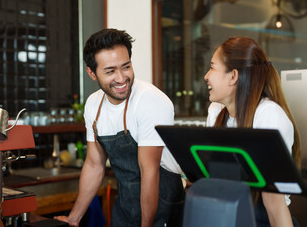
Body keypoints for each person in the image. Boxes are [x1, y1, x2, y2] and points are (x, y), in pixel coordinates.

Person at [55, 28, 185, 227]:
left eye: (126, 67)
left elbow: (149, 171)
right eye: (110, 71)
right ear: (91, 73)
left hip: (162, 206)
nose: (121, 78)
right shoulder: (93, 105)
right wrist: (73, 218)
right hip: (125, 207)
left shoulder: (150, 100)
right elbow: (94, 164)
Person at [204, 36, 301, 227]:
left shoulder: (269, 117)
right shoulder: (215, 112)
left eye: (213, 67)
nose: (206, 75)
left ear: (233, 76)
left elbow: (275, 206)